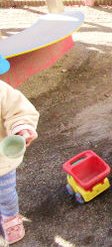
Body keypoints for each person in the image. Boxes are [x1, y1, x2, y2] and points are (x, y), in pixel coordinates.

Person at [0, 55, 39, 243]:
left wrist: (21, 127)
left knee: (6, 195)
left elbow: (18, 112)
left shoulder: (2, 91)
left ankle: (10, 216)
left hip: (1, 163)